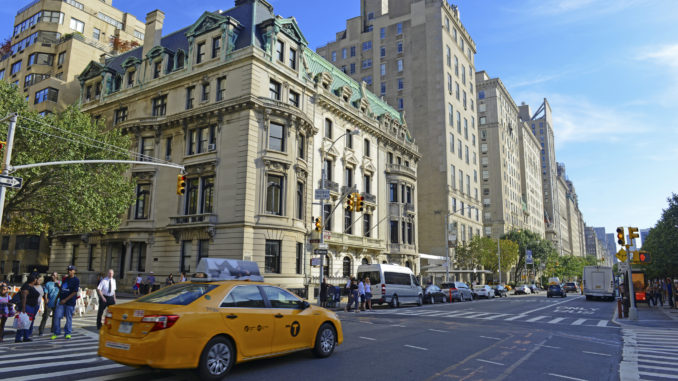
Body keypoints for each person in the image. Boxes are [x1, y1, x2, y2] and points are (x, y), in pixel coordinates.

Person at [52, 265, 79, 340]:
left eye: (71, 270)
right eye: (68, 270)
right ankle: (56, 332)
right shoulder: (65, 279)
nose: (69, 271)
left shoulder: (76, 280)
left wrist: (65, 300)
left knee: (68, 317)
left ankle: (68, 333)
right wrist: (59, 287)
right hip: (61, 301)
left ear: (74, 271)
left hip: (69, 302)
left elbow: (74, 292)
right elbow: (63, 289)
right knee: (57, 316)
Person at [16, 275, 40, 342]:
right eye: (36, 279)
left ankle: (26, 336)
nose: (36, 280)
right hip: (27, 306)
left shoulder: (31, 286)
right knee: (23, 322)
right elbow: (24, 297)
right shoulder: (26, 286)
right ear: (33, 280)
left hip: (32, 306)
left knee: (28, 322)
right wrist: (23, 308)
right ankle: (18, 337)